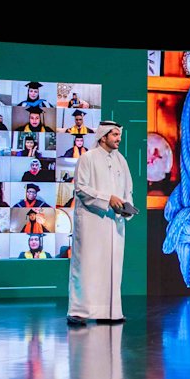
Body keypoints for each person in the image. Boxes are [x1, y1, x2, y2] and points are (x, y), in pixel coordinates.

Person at [67, 120, 135, 324]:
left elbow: (128, 189)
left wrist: (126, 207)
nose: (118, 139)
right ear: (103, 136)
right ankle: (78, 312)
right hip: (92, 221)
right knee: (88, 266)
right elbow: (81, 189)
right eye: (114, 135)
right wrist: (108, 199)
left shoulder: (121, 160)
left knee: (112, 266)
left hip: (114, 222)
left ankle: (110, 313)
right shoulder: (87, 158)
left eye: (119, 135)